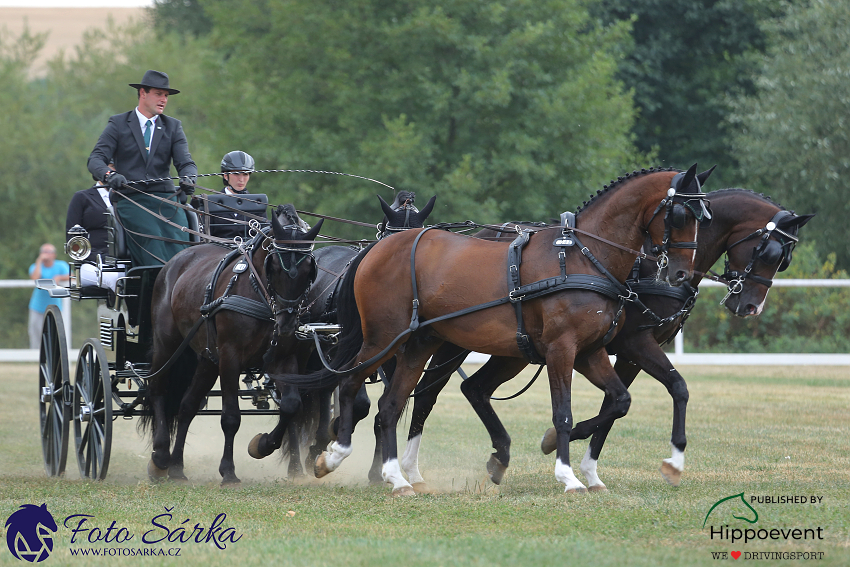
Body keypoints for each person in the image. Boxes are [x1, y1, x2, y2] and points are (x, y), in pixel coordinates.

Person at [87, 69, 198, 266]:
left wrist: (189, 177)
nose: (164, 99)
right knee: (153, 239)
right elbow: (96, 159)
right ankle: (156, 289)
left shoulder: (173, 127)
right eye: (158, 94)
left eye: (166, 96)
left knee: (181, 242)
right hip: (131, 199)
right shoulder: (118, 124)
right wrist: (110, 175)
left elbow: (186, 163)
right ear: (142, 93)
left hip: (165, 200)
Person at [65, 171, 124, 290]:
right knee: (114, 279)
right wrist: (95, 256)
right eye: (111, 168)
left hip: (123, 260)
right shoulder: (82, 197)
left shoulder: (129, 199)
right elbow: (72, 240)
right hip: (92, 263)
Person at [28, 244, 70, 349]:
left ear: (54, 254)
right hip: (37, 307)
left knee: (55, 333)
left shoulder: (61, 265)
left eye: (48, 252)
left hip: (55, 306)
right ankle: (35, 357)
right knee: (36, 334)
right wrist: (39, 261)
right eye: (44, 252)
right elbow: (34, 277)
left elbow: (72, 276)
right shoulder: (35, 266)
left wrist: (59, 277)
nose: (46, 254)